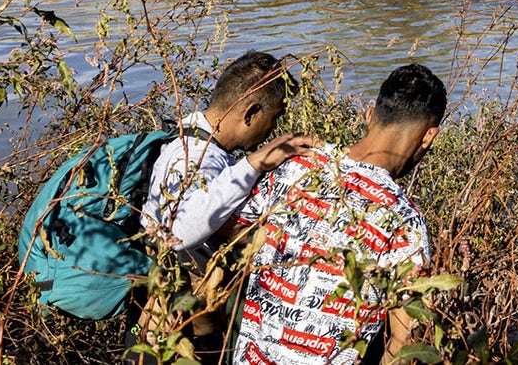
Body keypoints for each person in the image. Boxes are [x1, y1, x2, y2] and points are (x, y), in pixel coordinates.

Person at [232, 63, 447, 365]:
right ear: (429, 137)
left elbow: (232, 236)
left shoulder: (294, 163)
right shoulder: (405, 221)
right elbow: (407, 337)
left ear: (369, 114)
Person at [135, 51, 317, 364]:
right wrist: (256, 162)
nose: (271, 130)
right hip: (171, 340)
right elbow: (176, 232)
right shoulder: (193, 155)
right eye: (274, 117)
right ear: (251, 112)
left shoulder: (193, 139)